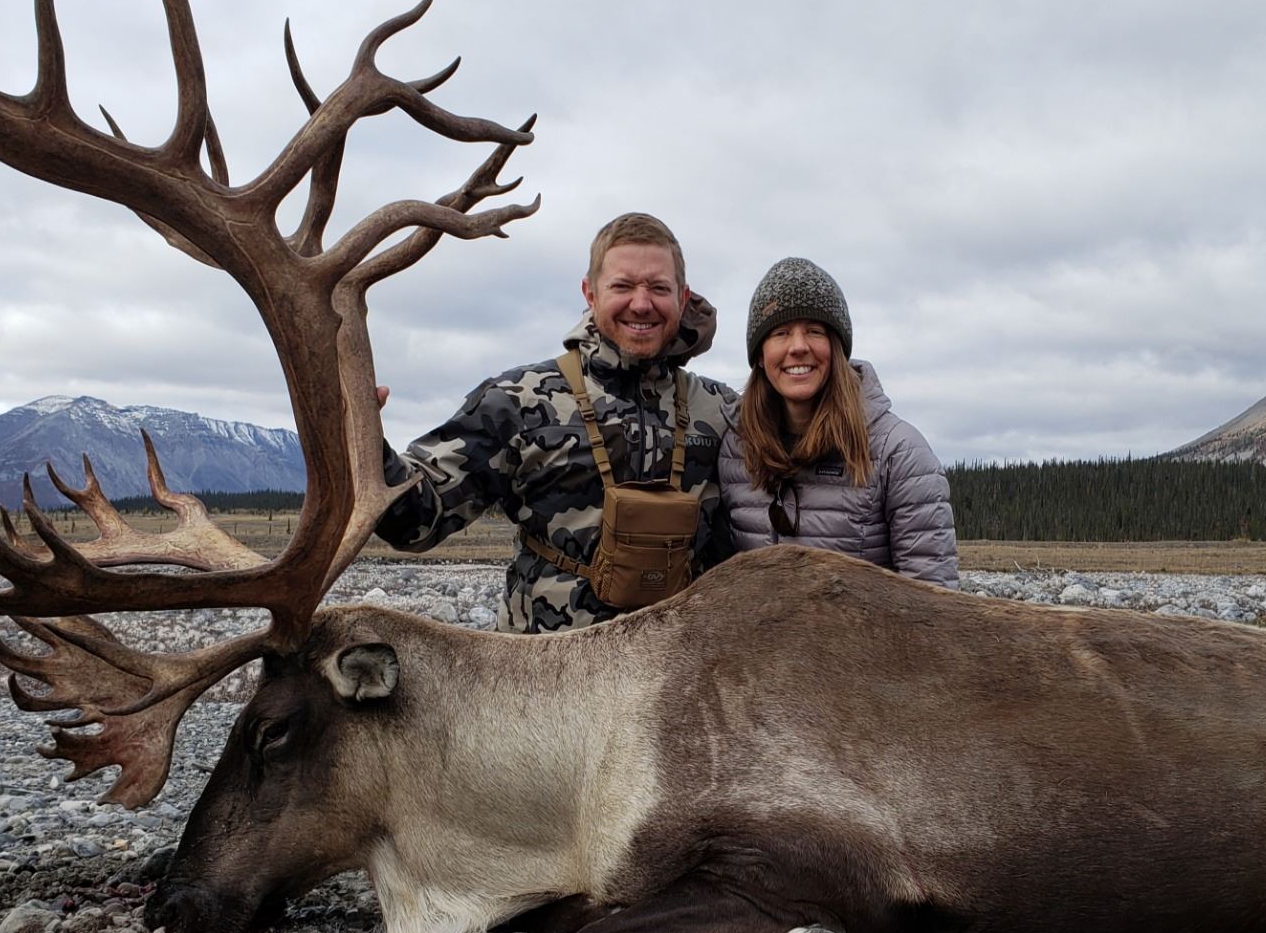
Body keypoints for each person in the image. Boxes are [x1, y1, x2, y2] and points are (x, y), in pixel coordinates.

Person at [374, 212, 735, 632]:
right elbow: (415, 521)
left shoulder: (721, 410)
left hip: (680, 676)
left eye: (658, 288)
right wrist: (363, 442)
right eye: (622, 286)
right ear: (590, 293)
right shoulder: (515, 401)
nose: (641, 303)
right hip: (545, 677)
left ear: (683, 296)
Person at [718, 257, 959, 586]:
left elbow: (934, 608)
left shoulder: (900, 453)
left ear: (837, 349)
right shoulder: (735, 447)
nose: (798, 347)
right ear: (760, 355)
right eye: (780, 332)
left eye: (815, 331)